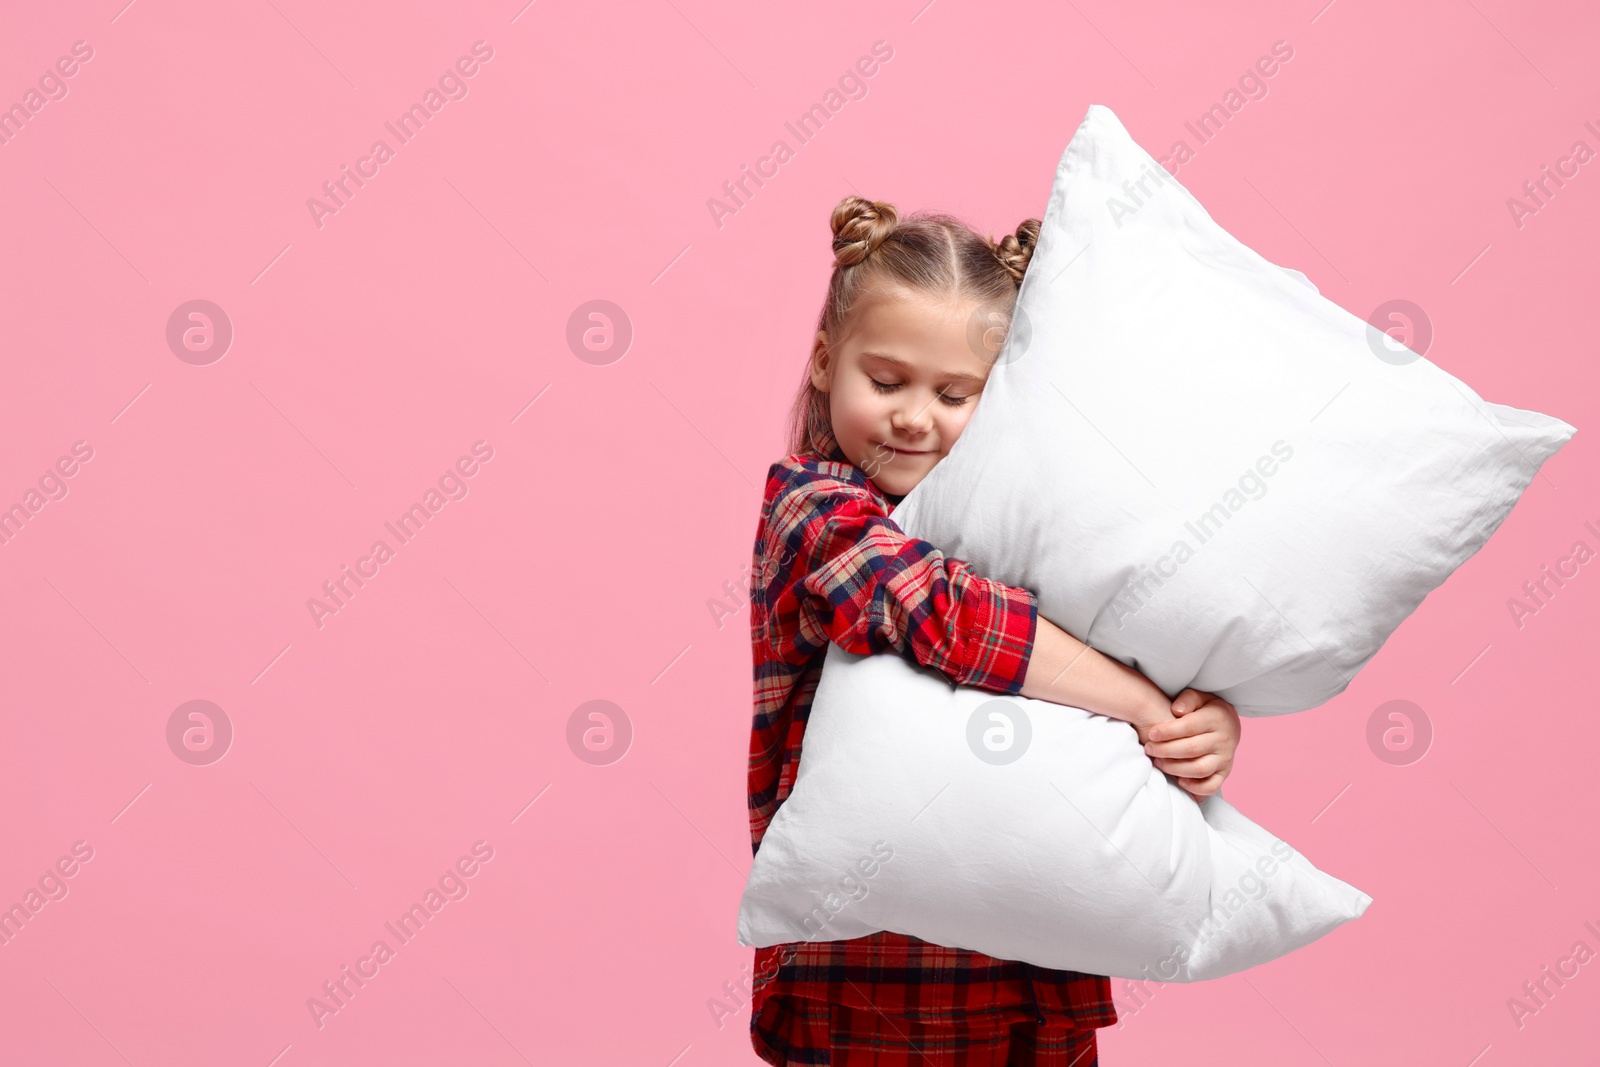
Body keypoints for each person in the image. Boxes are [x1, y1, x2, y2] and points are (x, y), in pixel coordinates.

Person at [746, 195, 1243, 1065]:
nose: (914, 417)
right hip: (869, 976)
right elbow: (944, 613)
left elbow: (1141, 646)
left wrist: (1195, 722)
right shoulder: (816, 510)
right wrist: (1138, 700)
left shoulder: (1043, 534)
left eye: (954, 393)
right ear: (827, 362)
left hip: (1036, 972)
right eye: (886, 380)